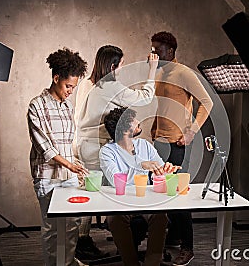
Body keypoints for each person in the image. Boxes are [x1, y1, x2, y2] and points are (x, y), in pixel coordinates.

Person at [73, 45, 159, 260]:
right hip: (95, 146)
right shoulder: (109, 86)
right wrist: (152, 69)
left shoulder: (87, 83)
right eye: (121, 65)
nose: (121, 69)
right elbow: (145, 97)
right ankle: (87, 243)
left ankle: (84, 240)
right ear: (113, 66)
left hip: (80, 143)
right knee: (106, 193)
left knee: (89, 190)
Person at [150, 31, 214, 265]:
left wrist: (191, 132)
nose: (153, 53)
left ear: (170, 50)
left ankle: (188, 247)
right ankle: (174, 237)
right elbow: (161, 106)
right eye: (152, 48)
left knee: (178, 195)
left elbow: (206, 101)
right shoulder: (159, 73)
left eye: (157, 49)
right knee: (161, 193)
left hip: (179, 143)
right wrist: (155, 131)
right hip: (160, 142)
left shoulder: (184, 73)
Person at [27, 48, 88, 266]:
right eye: (68, 86)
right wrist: (70, 165)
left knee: (71, 225)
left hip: (68, 175)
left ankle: (68, 262)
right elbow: (46, 148)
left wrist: (76, 165)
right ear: (56, 78)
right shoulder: (37, 106)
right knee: (53, 228)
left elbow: (68, 143)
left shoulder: (67, 107)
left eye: (74, 86)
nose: (71, 91)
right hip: (47, 176)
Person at [99, 107, 180, 266]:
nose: (138, 122)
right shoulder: (107, 152)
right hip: (122, 201)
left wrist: (165, 170)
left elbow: (160, 171)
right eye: (133, 120)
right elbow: (117, 179)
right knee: (115, 218)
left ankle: (152, 263)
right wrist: (141, 166)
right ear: (124, 130)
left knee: (160, 216)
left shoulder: (144, 145)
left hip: (147, 199)